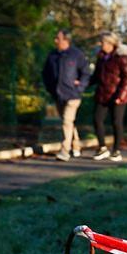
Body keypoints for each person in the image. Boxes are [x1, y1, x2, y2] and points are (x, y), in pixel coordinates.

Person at [42, 29, 90, 162]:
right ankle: (76, 146)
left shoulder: (76, 54)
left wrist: (80, 87)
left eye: (58, 38)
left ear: (66, 40)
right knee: (68, 122)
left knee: (66, 121)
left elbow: (86, 73)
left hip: (73, 95)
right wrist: (50, 89)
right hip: (58, 95)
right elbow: (45, 74)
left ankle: (65, 151)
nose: (55, 40)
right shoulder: (52, 56)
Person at [88, 32, 127, 162]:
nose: (100, 45)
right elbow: (96, 76)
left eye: (102, 42)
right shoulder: (101, 58)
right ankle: (102, 148)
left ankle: (116, 151)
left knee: (116, 122)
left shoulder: (121, 58)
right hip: (103, 94)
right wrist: (82, 83)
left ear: (110, 43)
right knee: (97, 120)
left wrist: (121, 96)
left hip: (117, 96)